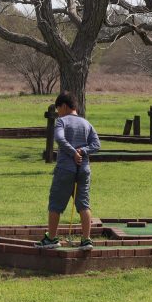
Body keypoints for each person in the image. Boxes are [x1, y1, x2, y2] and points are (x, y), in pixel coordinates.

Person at [38, 92, 100, 251]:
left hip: (65, 169)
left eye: (58, 108)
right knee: (84, 205)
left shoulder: (61, 122)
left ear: (64, 106)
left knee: (55, 205)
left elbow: (59, 138)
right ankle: (86, 240)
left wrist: (73, 152)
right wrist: (83, 151)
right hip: (84, 169)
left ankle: (51, 238)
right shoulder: (87, 123)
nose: (58, 112)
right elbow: (96, 145)